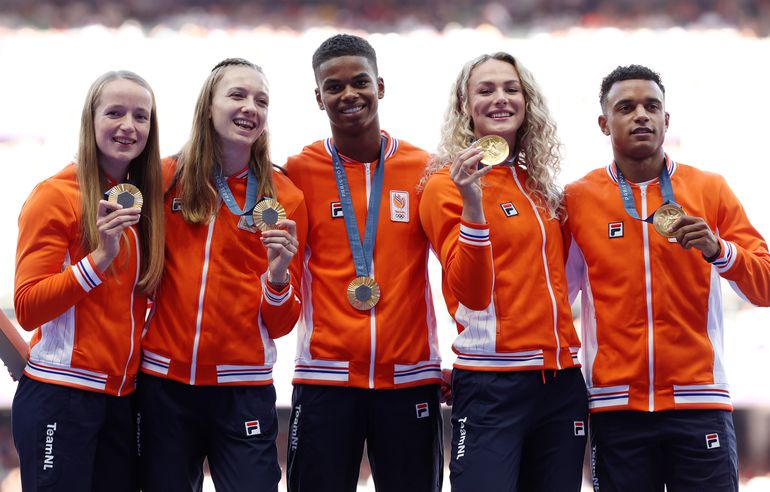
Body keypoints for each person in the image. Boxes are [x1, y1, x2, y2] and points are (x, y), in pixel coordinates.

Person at [565, 64, 770, 491]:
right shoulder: (577, 199)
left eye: (651, 106)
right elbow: (553, 299)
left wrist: (720, 251)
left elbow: (765, 284)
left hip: (700, 402)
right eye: (626, 107)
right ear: (604, 123)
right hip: (616, 408)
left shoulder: (709, 189)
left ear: (666, 120)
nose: (641, 115)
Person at [420, 52, 588, 491]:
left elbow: (560, 283)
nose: (500, 98)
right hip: (492, 382)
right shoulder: (443, 187)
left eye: (511, 89)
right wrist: (472, 204)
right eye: (486, 89)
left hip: (561, 381)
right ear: (464, 105)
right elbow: (472, 293)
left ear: (526, 102)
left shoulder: (542, 188)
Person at [137, 58, 307, 492]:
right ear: (208, 106)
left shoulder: (284, 196)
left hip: (243, 388)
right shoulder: (165, 178)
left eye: (261, 100)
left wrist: (278, 279)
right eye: (237, 95)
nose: (251, 107)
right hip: (164, 385)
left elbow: (283, 323)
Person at [284, 34, 443, 492]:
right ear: (318, 97)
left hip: (409, 377)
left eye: (360, 82)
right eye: (333, 87)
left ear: (381, 86)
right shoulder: (300, 170)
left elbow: (458, 267)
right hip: (325, 378)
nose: (348, 94)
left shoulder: (425, 169)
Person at [12, 70, 164, 492]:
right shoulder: (55, 196)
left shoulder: (138, 199)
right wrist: (99, 259)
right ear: (90, 120)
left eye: (141, 116)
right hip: (61, 395)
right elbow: (27, 307)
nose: (128, 126)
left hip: (121, 399)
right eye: (114, 113)